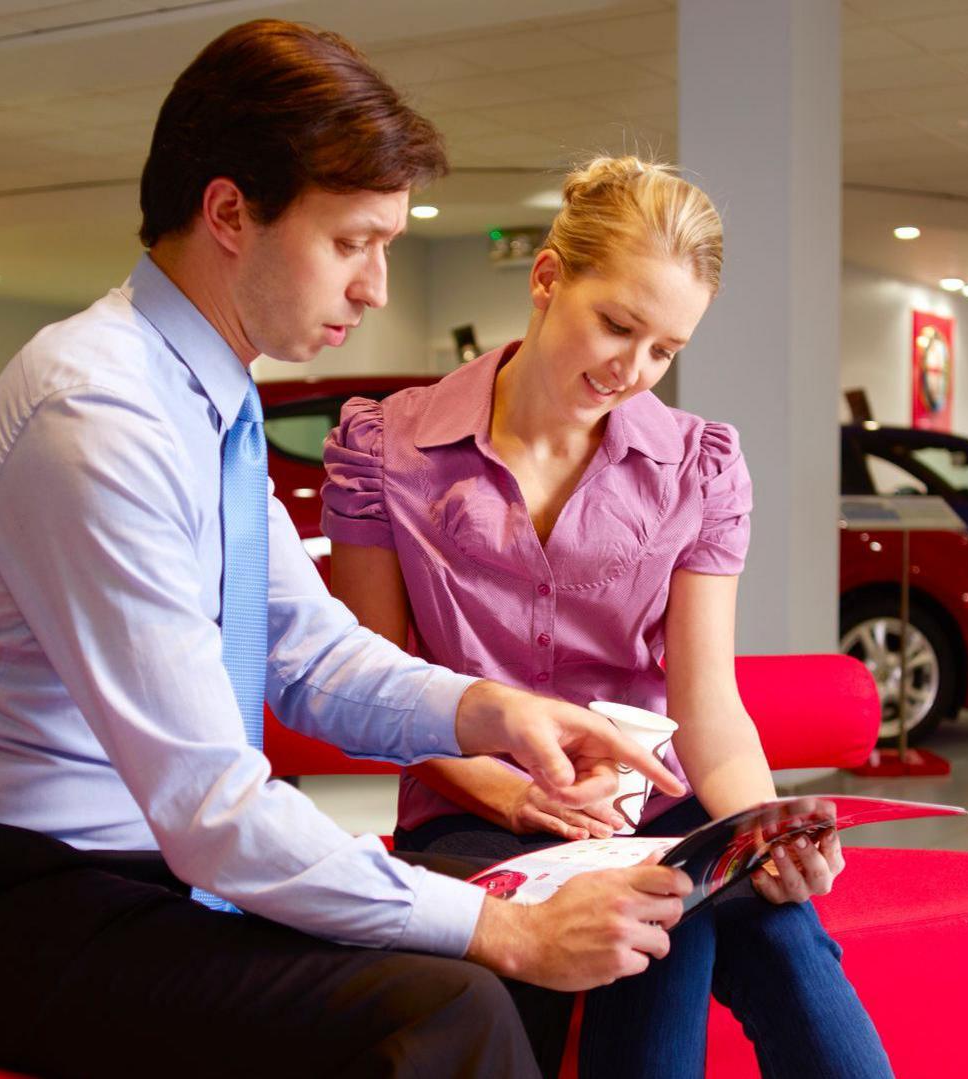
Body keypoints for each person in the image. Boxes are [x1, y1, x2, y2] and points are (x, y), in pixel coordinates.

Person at [0, 21, 692, 1079]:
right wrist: (495, 926)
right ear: (230, 210)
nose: (375, 285)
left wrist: (494, 710)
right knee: (451, 998)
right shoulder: (96, 412)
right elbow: (212, 807)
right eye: (352, 242)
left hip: (114, 870)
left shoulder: (208, 399)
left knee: (509, 934)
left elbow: (310, 652)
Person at [322, 155, 893, 1079]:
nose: (634, 371)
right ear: (548, 278)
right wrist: (522, 794)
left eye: (665, 350)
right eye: (618, 326)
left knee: (796, 968)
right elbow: (376, 687)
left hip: (660, 807)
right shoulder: (385, 448)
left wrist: (768, 828)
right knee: (661, 926)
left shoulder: (700, 466)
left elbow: (707, 706)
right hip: (472, 809)